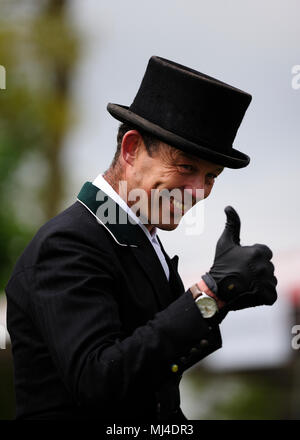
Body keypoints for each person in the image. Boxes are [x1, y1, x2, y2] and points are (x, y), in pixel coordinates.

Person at [5, 56, 277, 421]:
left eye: (211, 176)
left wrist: (220, 302)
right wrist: (210, 293)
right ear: (131, 149)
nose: (198, 191)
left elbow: (149, 378)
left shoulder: (135, 237)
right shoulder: (68, 244)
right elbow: (99, 381)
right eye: (185, 167)